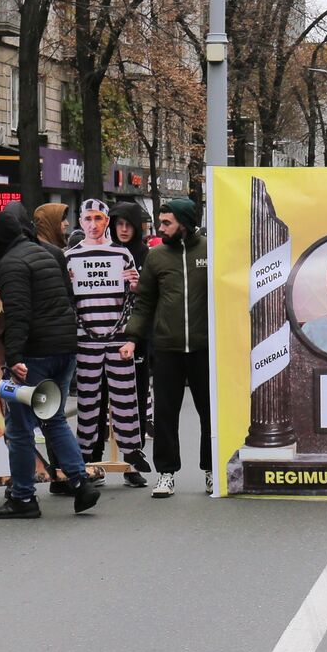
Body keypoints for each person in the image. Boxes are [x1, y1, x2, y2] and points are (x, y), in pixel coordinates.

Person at [0, 209, 100, 518]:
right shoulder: (46, 253)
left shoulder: (11, 263)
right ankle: (80, 481)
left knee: (19, 428)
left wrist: (15, 358)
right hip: (64, 349)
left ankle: (22, 498)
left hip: (35, 355)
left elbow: (18, 313)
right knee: (54, 418)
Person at [119, 198, 211, 498]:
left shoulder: (210, 250)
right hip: (167, 348)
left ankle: (211, 472)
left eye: (166, 223)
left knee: (209, 413)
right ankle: (167, 474)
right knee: (165, 414)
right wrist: (131, 338)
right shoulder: (157, 257)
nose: (160, 228)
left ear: (183, 223)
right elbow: (144, 303)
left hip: (204, 348)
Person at [68, 199, 147, 487]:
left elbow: (135, 298)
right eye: (88, 218)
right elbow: (68, 299)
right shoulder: (70, 257)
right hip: (86, 339)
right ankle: (86, 459)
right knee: (89, 399)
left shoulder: (122, 254)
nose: (93, 224)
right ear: (80, 222)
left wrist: (136, 285)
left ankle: (131, 456)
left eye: (98, 218)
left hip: (117, 337)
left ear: (105, 221)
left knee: (125, 397)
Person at [111, 201, 154, 460]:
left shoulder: (147, 255)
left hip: (138, 333)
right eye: (119, 224)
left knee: (136, 392)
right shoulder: (105, 253)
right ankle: (96, 461)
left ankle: (134, 456)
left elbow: (155, 294)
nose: (124, 230)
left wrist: (141, 287)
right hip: (105, 331)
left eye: (129, 225)